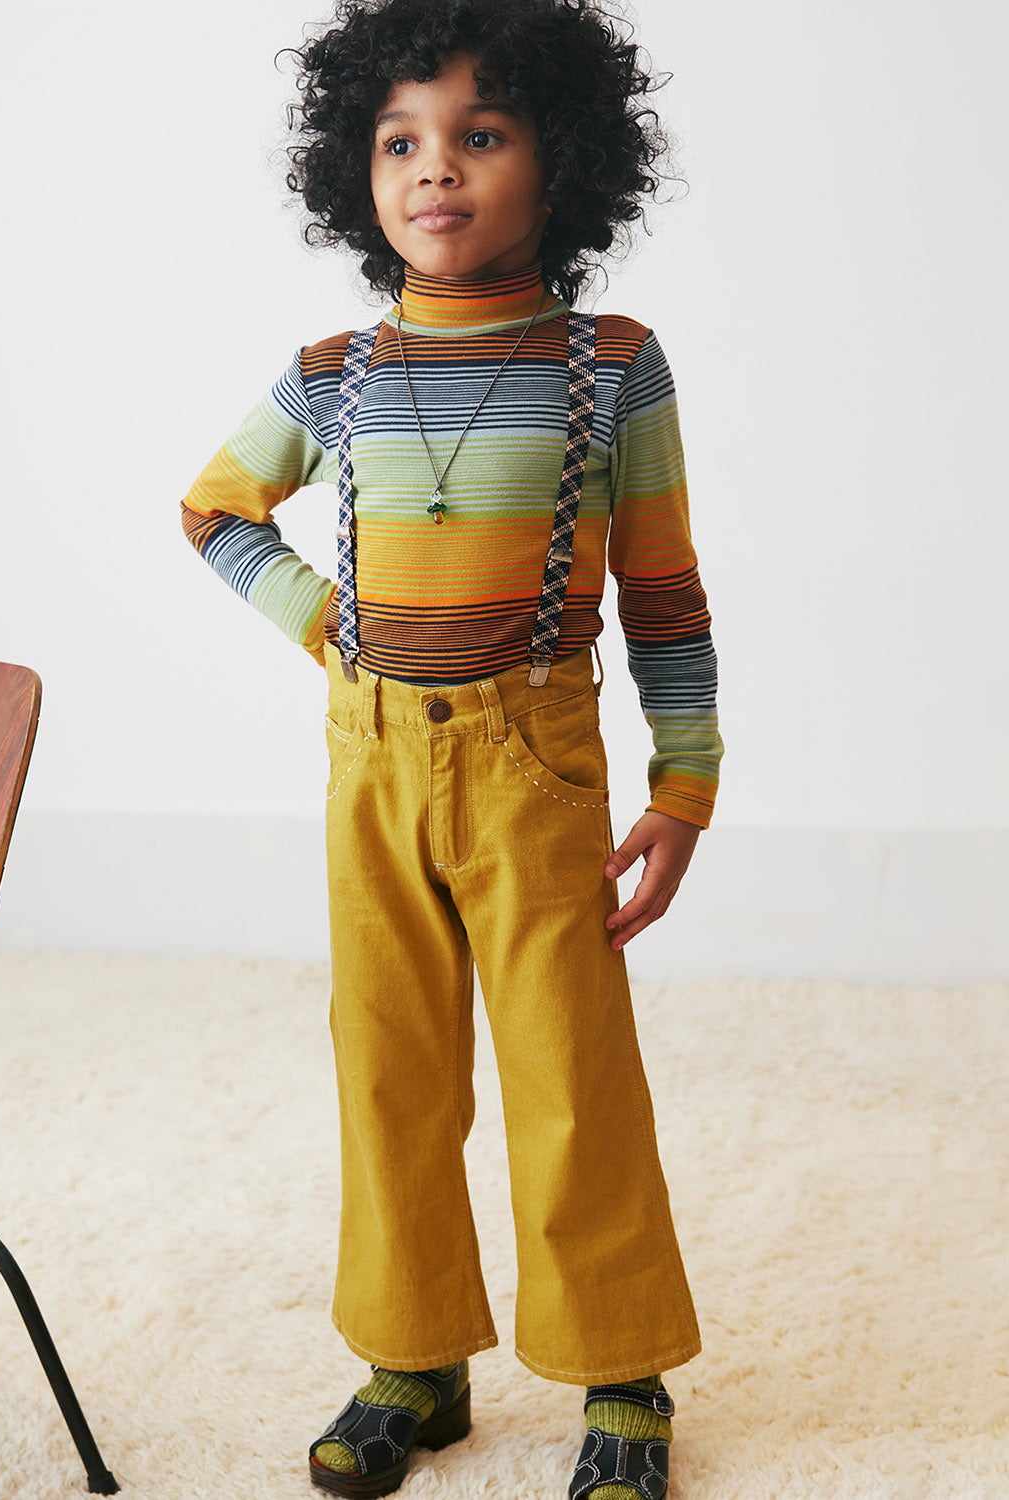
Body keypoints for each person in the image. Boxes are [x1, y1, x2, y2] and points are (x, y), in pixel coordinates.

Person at [179, 2, 723, 1495]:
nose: (435, 169)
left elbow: (667, 592)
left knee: (569, 1070)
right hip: (371, 763)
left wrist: (685, 783)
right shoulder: (334, 369)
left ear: (566, 161)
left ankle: (622, 1369)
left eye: (480, 134)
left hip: (534, 764)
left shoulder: (613, 365)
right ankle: (411, 1357)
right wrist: (326, 625)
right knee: (389, 1065)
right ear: (354, 172)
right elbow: (215, 508)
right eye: (399, 140)